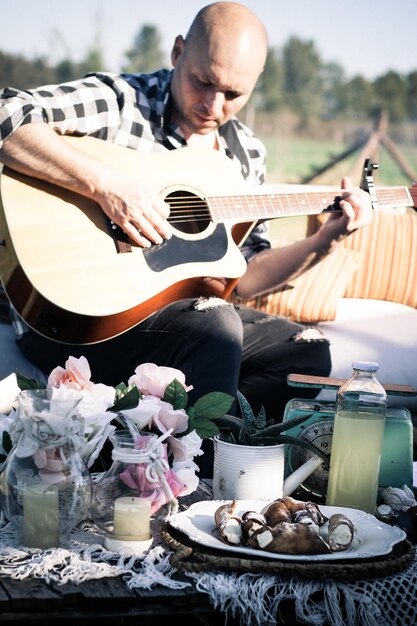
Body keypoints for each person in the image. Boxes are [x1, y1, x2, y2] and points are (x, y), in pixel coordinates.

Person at [0, 2, 373, 473]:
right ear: (178, 52)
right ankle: (195, 487)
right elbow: (7, 112)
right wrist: (108, 187)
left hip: (171, 319)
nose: (213, 106)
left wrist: (328, 239)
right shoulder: (121, 102)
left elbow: (249, 275)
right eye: (203, 81)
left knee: (306, 352)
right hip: (72, 317)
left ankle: (139, 448)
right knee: (217, 328)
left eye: (234, 93)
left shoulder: (244, 155)